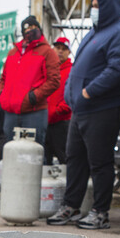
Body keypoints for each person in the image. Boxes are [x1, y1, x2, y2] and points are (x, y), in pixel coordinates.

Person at [46, 0, 120, 230]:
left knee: (99, 161)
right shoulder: (95, 33)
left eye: (98, 5)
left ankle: (100, 211)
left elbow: (118, 69)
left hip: (103, 108)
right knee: (75, 159)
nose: (93, 10)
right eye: (92, 5)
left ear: (110, 7)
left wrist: (88, 92)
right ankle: (71, 206)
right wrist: (72, 93)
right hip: (81, 109)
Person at [0, 16, 60, 147]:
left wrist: (33, 97)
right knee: (10, 153)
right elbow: (3, 78)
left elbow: (54, 80)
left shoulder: (48, 52)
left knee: (33, 154)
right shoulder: (12, 53)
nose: (31, 31)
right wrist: (2, 94)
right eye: (27, 28)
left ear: (39, 29)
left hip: (34, 112)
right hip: (11, 112)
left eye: (34, 27)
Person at [45, 36, 73, 165]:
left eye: (64, 49)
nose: (60, 51)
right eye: (57, 48)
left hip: (61, 122)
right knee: (44, 159)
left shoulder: (72, 71)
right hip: (44, 122)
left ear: (69, 52)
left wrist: (57, 110)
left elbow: (72, 96)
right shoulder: (46, 69)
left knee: (65, 158)